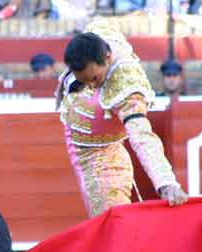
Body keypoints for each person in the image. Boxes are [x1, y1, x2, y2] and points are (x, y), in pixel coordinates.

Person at [56, 21, 187, 218]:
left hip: (102, 156)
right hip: (85, 144)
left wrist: (166, 182)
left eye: (94, 78)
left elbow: (142, 137)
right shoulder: (98, 36)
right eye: (84, 81)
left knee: (111, 224)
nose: (91, 86)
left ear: (108, 58)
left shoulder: (127, 88)